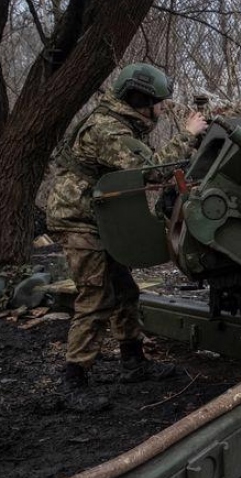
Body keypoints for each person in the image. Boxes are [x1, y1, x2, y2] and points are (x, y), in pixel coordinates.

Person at [46, 63, 208, 410]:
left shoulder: (118, 123)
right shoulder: (108, 130)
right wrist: (188, 134)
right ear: (140, 99)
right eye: (159, 103)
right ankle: (72, 382)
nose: (163, 109)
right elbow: (151, 170)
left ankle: (133, 362)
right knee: (96, 298)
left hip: (99, 219)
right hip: (80, 221)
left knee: (125, 291)